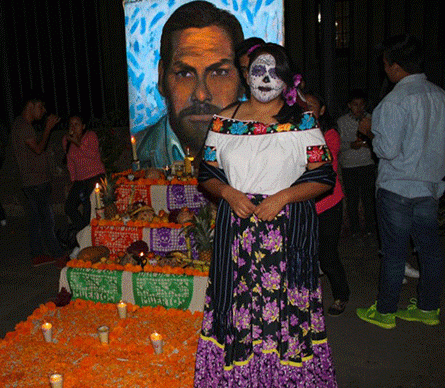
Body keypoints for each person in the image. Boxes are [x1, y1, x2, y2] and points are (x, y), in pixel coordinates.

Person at [194, 43, 337, 387]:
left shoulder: (302, 122)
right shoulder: (224, 121)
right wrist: (228, 192)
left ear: (288, 80)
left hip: (284, 240)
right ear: (247, 75)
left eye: (274, 72)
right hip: (237, 238)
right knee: (239, 310)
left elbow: (324, 175)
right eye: (258, 70)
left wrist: (284, 197)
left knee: (281, 314)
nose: (265, 79)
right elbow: (207, 172)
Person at [356, 35, 445, 329]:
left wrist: (369, 132)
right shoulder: (440, 96)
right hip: (429, 187)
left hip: (397, 189)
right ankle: (428, 308)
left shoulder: (395, 101)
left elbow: (387, 150)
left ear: (394, 65)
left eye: (385, 64)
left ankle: (385, 312)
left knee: (394, 254)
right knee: (429, 253)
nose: (384, 70)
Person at [135, 1, 244, 168]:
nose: (201, 95)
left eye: (219, 73)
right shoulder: (140, 150)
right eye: (185, 74)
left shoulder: (266, 147)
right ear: (161, 77)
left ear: (243, 81)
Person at [305, 90, 350, 316]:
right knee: (305, 255)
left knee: (328, 255)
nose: (307, 109)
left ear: (322, 110)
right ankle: (310, 300)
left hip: (328, 203)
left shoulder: (330, 134)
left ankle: (342, 295)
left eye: (311, 105)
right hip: (303, 204)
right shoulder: (295, 131)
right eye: (303, 105)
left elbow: (324, 166)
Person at [10, 91, 66, 267]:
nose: (43, 111)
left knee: (36, 220)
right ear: (30, 106)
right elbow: (38, 149)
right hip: (35, 183)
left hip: (31, 182)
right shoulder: (23, 126)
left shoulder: (21, 125)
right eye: (40, 107)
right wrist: (48, 128)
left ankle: (37, 255)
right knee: (47, 220)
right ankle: (58, 255)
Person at [60, 114, 106, 248]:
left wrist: (77, 142)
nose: (73, 127)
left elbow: (93, 155)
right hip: (80, 180)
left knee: (89, 210)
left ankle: (88, 243)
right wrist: (73, 180)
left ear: (83, 126)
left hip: (95, 176)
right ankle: (84, 233)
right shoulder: (66, 140)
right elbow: (70, 162)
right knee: (69, 206)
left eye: (77, 124)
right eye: (71, 125)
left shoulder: (90, 136)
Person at [336, 89, 376, 239]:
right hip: (349, 165)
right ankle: (354, 229)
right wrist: (351, 145)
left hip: (367, 163)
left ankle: (371, 228)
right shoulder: (342, 122)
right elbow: (338, 144)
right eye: (355, 104)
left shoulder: (371, 119)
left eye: (361, 104)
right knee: (352, 199)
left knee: (368, 198)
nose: (358, 108)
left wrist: (369, 143)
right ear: (349, 105)